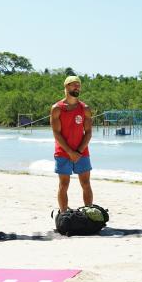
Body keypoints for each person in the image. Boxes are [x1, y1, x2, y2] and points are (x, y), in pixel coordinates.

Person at [50, 75, 94, 211]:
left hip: (82, 152)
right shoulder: (57, 108)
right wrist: (70, 152)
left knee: (86, 183)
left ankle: (89, 211)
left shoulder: (85, 108)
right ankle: (63, 213)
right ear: (66, 87)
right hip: (63, 153)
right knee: (64, 184)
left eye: (79, 85)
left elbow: (88, 132)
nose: (77, 87)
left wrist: (79, 152)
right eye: (74, 84)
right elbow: (56, 133)